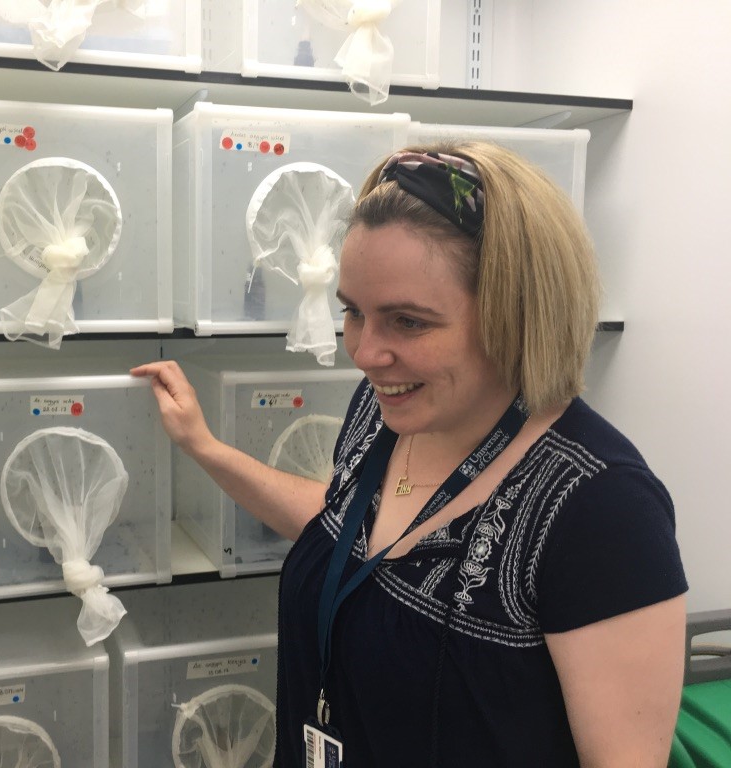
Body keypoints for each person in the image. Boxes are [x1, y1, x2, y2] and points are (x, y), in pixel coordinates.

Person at [131, 141, 687, 767]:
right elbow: (354, 528)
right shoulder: (386, 412)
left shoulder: (601, 509)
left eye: (408, 322)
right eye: (354, 313)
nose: (366, 353)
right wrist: (204, 448)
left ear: (517, 312)